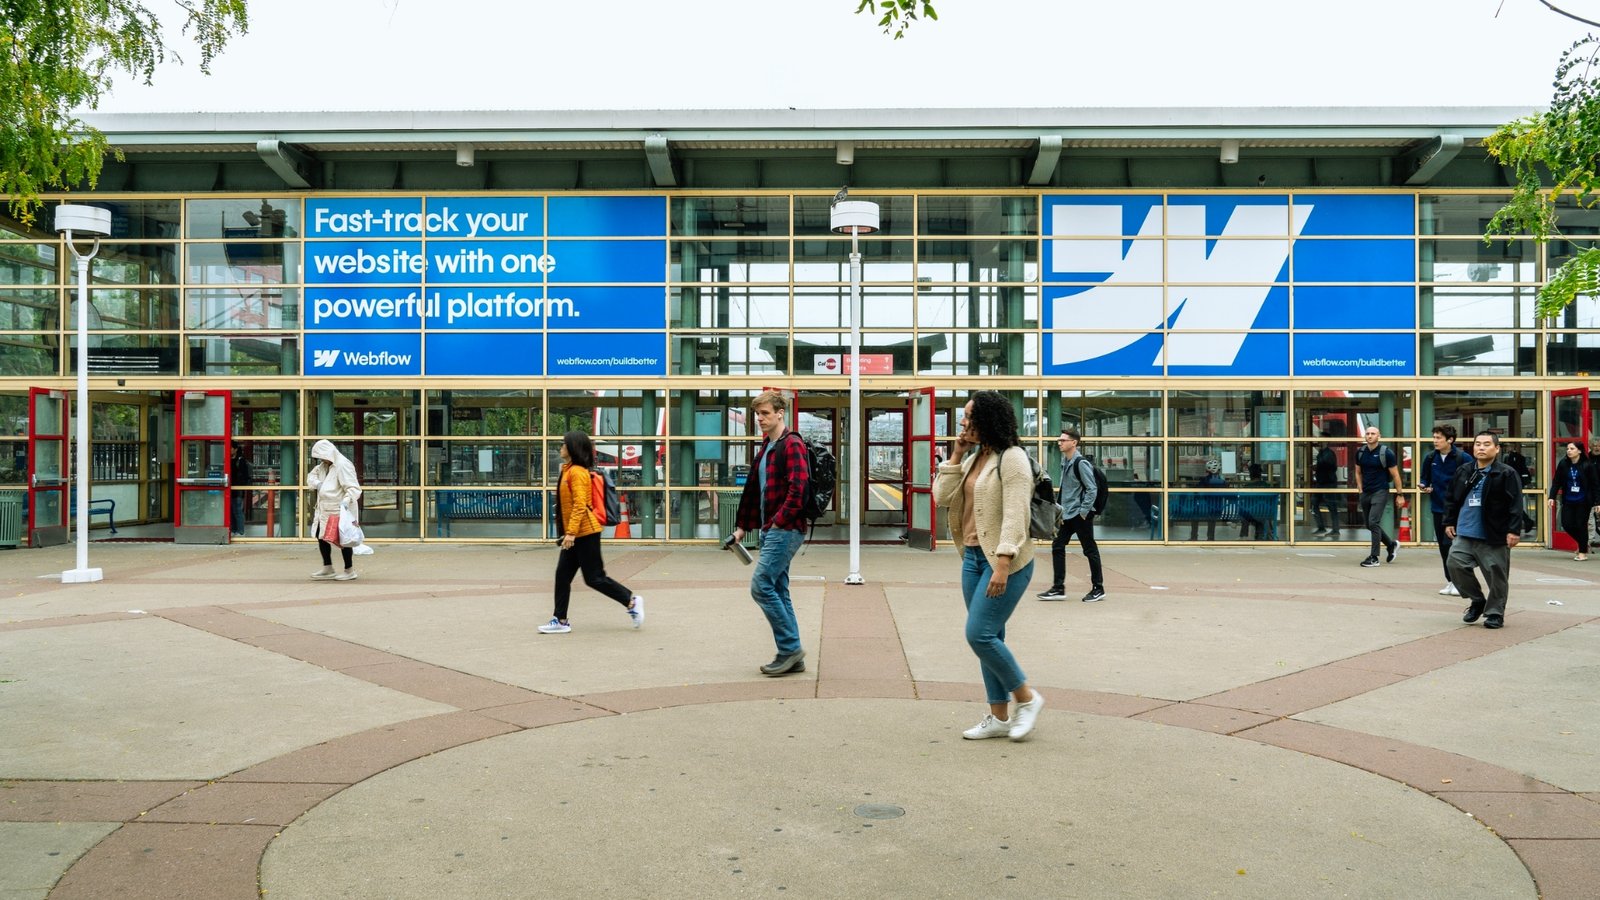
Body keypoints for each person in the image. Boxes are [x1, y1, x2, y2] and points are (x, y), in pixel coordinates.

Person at [934, 390, 1044, 742]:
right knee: (990, 636)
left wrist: (1002, 562)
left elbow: (1016, 513)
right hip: (972, 559)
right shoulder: (974, 458)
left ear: (988, 420)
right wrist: (956, 454)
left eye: (969, 416)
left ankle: (1027, 699)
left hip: (1005, 561)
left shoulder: (1012, 459)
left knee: (978, 634)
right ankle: (998, 717)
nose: (963, 422)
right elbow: (941, 497)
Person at [731, 390, 810, 676]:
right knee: (778, 589)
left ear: (780, 413)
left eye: (765, 413)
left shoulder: (791, 445)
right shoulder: (767, 447)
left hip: (784, 529)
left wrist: (778, 521)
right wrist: (743, 528)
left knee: (761, 586)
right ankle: (794, 655)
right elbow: (755, 491)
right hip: (771, 528)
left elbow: (798, 489)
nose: (760, 419)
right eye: (757, 414)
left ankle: (790, 648)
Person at [537, 431, 643, 634]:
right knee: (562, 576)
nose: (560, 447)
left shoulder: (577, 472)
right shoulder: (569, 470)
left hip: (585, 533)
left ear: (572, 448)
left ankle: (631, 602)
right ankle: (560, 620)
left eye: (563, 444)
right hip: (577, 533)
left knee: (595, 578)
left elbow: (580, 505)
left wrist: (570, 533)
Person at [1444, 431, 1523, 629]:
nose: (1481, 447)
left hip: (1493, 534)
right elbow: (1452, 498)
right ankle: (1477, 600)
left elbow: (1515, 504)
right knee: (1454, 564)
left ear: (1497, 449)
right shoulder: (1464, 470)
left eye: (1487, 444)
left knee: (1497, 575)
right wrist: (1449, 521)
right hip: (1465, 531)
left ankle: (1495, 613)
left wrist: (1514, 530)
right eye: (1478, 444)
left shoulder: (1506, 473)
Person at [1036, 427, 1104, 603]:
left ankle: (1098, 588)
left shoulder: (1080, 463)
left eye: (1063, 440)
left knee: (1089, 550)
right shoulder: (1066, 462)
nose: (1060, 443)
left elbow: (1092, 489)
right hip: (1067, 514)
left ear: (1074, 443)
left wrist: (1083, 512)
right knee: (1058, 546)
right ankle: (1058, 588)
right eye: (1059, 440)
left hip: (1079, 515)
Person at [1420, 425, 1472, 595]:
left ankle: (1460, 582)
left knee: (1453, 545)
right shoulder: (1430, 458)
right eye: (1434, 437)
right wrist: (1424, 486)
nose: (1435, 441)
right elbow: (1425, 479)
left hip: (1457, 509)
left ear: (1450, 440)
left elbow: (1472, 480)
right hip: (1437, 508)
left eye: (1438, 438)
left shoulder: (1462, 458)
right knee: (1443, 547)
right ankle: (1450, 580)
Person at [307, 439, 362, 581]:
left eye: (322, 457)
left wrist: (347, 500)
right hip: (324, 509)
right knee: (321, 535)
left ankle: (349, 570)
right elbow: (311, 476)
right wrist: (318, 484)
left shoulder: (343, 465)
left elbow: (353, 487)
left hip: (339, 509)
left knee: (344, 539)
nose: (321, 460)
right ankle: (327, 567)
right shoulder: (324, 466)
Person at [1354, 426, 1404, 568]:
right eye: (1368, 433)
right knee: (1369, 524)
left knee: (1373, 522)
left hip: (1380, 491)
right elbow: (1358, 472)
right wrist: (1360, 488)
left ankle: (1374, 557)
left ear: (1379, 436)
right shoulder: (1361, 452)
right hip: (1366, 492)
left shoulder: (1386, 453)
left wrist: (1400, 495)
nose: (1369, 436)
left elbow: (1395, 474)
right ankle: (1391, 545)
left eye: (1373, 434)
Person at [1547, 441, 1598, 561]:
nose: (1568, 451)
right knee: (1567, 524)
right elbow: (1556, 482)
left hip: (1583, 501)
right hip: (1568, 500)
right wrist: (1551, 497)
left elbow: (1595, 485)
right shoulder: (1564, 464)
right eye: (1568, 449)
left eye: (1572, 448)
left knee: (1581, 525)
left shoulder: (1587, 465)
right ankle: (1583, 544)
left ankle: (1582, 553)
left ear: (1579, 451)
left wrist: (1597, 502)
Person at [1310, 437, 1341, 537]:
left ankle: (1335, 530)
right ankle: (1321, 527)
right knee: (1315, 504)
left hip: (1328, 483)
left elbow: (1330, 467)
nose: (1319, 444)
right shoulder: (1322, 453)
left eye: (1321, 442)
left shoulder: (1328, 454)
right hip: (1321, 482)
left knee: (1331, 506)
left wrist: (1317, 467)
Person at [230, 443, 252, 536]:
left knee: (238, 510)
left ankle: (240, 531)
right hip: (229, 489)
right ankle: (233, 530)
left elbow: (245, 476)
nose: (228, 450)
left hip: (238, 490)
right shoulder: (228, 460)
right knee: (231, 511)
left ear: (235, 449)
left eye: (230, 448)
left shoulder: (241, 461)